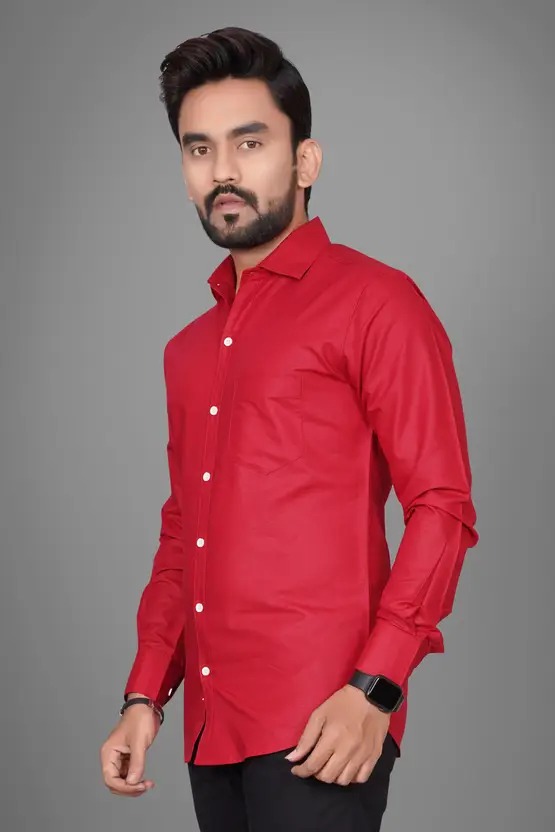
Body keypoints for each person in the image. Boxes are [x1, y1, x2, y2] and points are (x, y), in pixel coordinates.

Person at [99, 25, 479, 832]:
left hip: (323, 722)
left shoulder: (376, 303)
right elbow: (184, 533)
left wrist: (375, 687)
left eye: (249, 143)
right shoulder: (187, 352)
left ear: (304, 161)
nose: (222, 171)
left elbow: (442, 506)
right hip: (209, 729)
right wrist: (144, 696)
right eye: (198, 149)